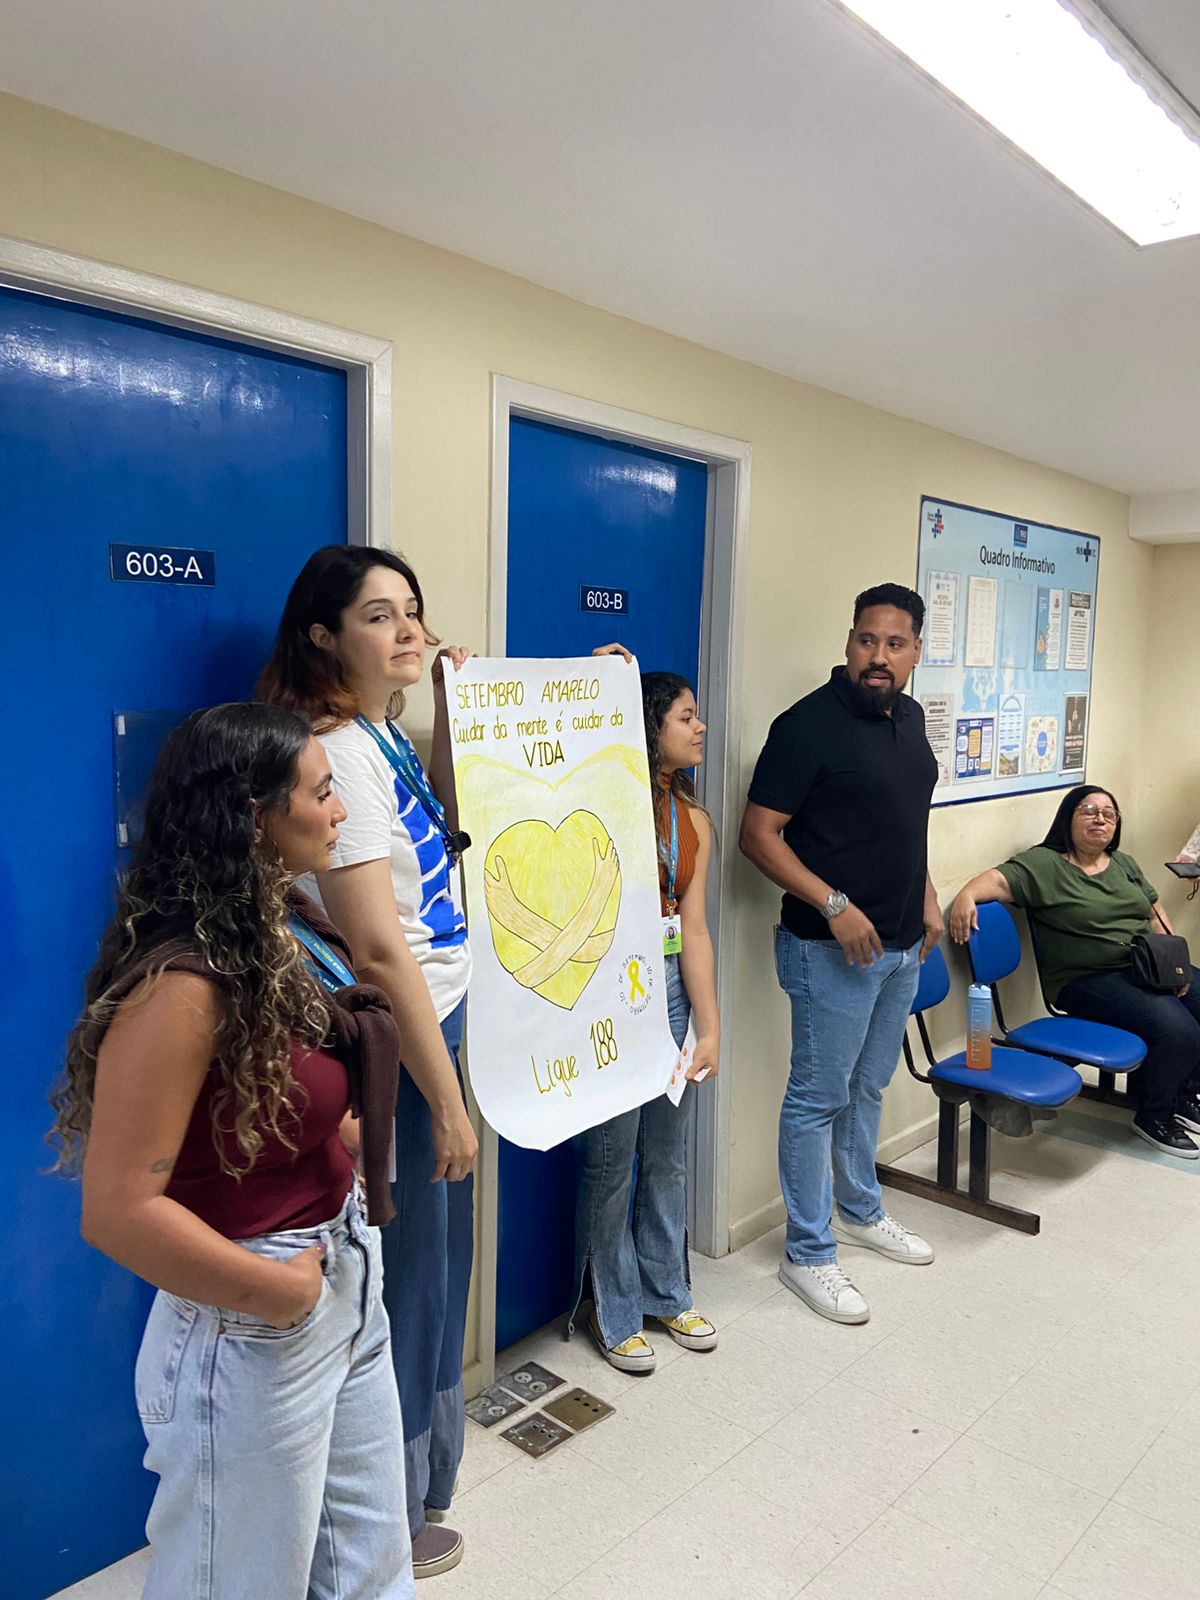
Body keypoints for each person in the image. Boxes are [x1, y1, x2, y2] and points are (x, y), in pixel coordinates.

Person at [50, 703, 413, 1599]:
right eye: (323, 794)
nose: (340, 813)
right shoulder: (181, 984)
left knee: (369, 1574)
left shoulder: (278, 927)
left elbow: (272, 1096)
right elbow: (118, 1211)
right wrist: (282, 1294)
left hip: (345, 1277)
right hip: (253, 1319)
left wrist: (336, 1137)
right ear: (255, 816)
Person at [259, 546, 476, 1579]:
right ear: (322, 634)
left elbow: (430, 832)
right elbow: (380, 946)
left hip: (442, 1023)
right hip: (407, 1039)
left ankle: (415, 1489)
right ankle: (387, 1512)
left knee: (434, 1268)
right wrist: (446, 1097)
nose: (406, 630)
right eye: (380, 616)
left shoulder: (379, 734)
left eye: (414, 613)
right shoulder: (335, 748)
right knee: (412, 1280)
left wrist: (444, 700)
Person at [739, 583, 941, 1326]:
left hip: (899, 946)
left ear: (916, 651)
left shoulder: (913, 718)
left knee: (868, 1088)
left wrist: (926, 894)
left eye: (894, 644)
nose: (877, 657)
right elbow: (758, 836)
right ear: (849, 641)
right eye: (865, 641)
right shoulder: (806, 727)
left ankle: (860, 1209)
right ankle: (808, 1252)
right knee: (817, 1099)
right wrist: (834, 904)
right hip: (828, 948)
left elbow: (904, 822)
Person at [572, 656, 722, 1373]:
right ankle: (615, 1307)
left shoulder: (693, 821)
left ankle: (668, 1289)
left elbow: (694, 932)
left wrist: (710, 1025)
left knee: (666, 1155)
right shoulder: (608, 803)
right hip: (612, 991)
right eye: (686, 716)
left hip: (670, 993)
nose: (700, 727)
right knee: (611, 1160)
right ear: (649, 726)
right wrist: (605, 673)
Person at [949, 784, 1200, 1157]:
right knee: (1178, 1029)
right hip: (1085, 979)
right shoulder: (1044, 864)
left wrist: (1175, 968)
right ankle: (1153, 1116)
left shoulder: (1124, 864)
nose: (1100, 819)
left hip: (1141, 965)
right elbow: (996, 882)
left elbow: (1153, 909)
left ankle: (1182, 1093)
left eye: (1109, 814)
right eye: (1089, 811)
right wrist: (966, 896)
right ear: (1068, 819)